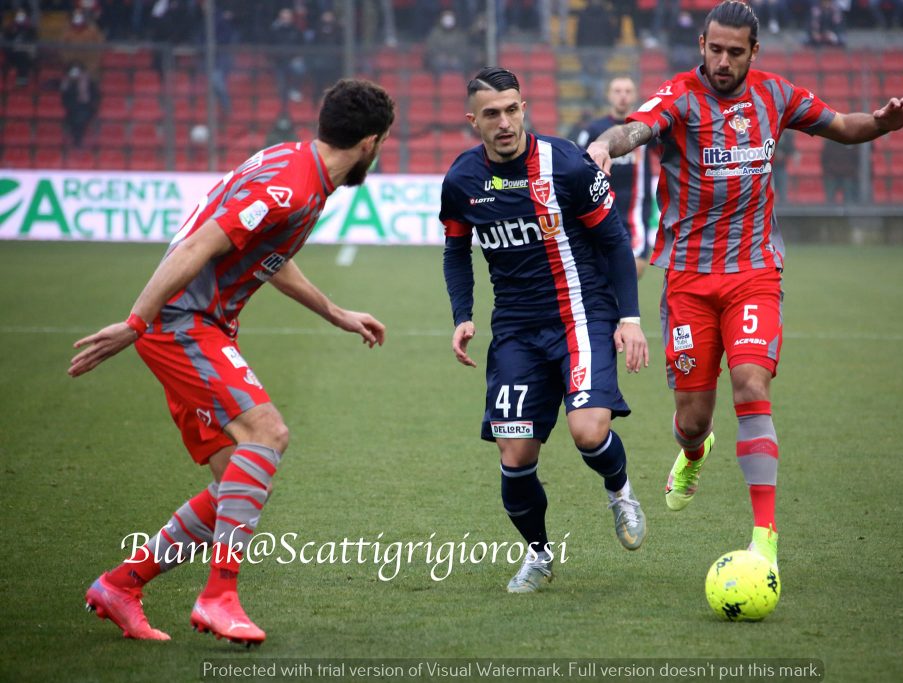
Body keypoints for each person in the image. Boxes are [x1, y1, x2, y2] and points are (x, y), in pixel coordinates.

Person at [587, 0, 903, 573]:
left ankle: (764, 536)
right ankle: (694, 451)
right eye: (714, 49)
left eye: (734, 52)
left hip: (754, 272)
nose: (721, 60)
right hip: (688, 280)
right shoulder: (680, 96)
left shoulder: (775, 94)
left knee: (749, 382)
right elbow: (634, 129)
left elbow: (841, 127)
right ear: (702, 46)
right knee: (693, 419)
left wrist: (882, 122)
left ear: (753, 52)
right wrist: (603, 146)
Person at [68, 79, 395, 645]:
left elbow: (268, 254)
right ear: (370, 142)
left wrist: (335, 312)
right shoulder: (294, 187)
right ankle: (219, 595)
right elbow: (199, 246)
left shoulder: (297, 166)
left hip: (198, 325)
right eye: (383, 142)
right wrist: (137, 321)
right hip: (181, 324)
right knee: (266, 433)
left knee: (235, 485)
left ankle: (122, 585)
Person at [441, 67, 650, 593]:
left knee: (588, 432)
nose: (505, 122)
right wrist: (462, 314)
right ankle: (538, 555)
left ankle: (620, 491)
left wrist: (630, 319)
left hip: (581, 316)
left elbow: (614, 242)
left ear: (524, 108)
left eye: (512, 109)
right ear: (474, 121)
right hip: (515, 331)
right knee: (515, 457)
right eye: (492, 113)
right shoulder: (462, 181)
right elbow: (455, 251)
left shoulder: (567, 164)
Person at [576, 76, 653, 277]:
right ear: (609, 96)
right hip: (602, 211)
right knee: (600, 275)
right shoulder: (594, 130)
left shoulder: (644, 129)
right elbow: (577, 163)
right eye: (618, 91)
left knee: (633, 270)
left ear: (635, 95)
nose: (623, 96)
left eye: (627, 91)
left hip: (634, 214)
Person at [60, 61, 100, 146]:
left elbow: (94, 97)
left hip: (86, 108)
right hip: (72, 109)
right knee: (75, 117)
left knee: (81, 116)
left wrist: (86, 101)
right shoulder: (67, 83)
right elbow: (65, 98)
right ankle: (76, 140)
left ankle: (78, 139)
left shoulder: (89, 83)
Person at [2, 8, 38, 86]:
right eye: (18, 15)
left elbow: (33, 44)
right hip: (12, 54)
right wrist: (12, 31)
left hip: (26, 55)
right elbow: (6, 42)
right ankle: (5, 85)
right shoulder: (11, 28)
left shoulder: (31, 30)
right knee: (15, 57)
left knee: (23, 59)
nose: (20, 17)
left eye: (22, 15)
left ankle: (21, 83)